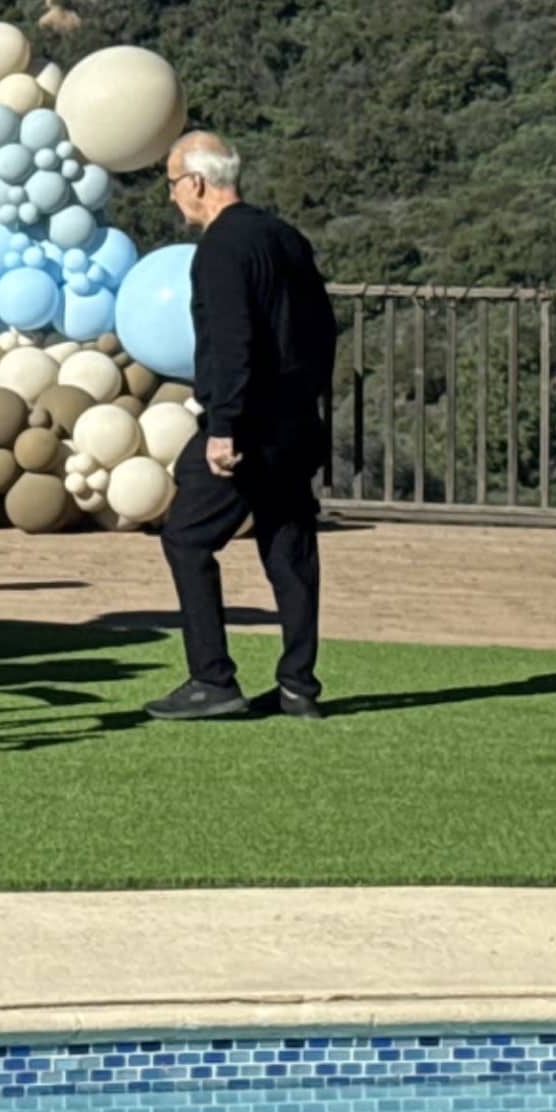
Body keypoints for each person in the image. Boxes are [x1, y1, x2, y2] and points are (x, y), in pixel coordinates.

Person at [149, 130, 336, 722]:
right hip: (297, 421)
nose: (174, 196)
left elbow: (230, 341)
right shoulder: (284, 237)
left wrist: (224, 427)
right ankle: (298, 686)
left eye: (174, 183)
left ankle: (213, 679)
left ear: (198, 183)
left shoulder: (221, 248)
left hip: (248, 425)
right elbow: (323, 331)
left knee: (186, 537)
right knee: (288, 543)